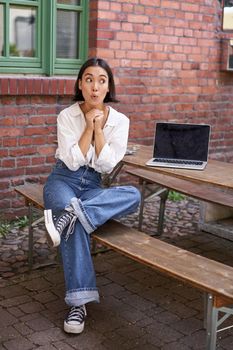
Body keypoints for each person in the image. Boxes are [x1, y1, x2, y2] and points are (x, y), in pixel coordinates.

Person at [43, 57, 141, 334]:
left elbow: (108, 165)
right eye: (89, 79)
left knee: (132, 194)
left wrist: (99, 128)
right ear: (80, 84)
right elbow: (72, 161)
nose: (95, 87)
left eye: (101, 80)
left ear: (108, 87)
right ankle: (79, 303)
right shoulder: (67, 116)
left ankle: (73, 214)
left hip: (93, 185)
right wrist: (88, 125)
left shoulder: (120, 121)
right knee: (71, 216)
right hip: (63, 180)